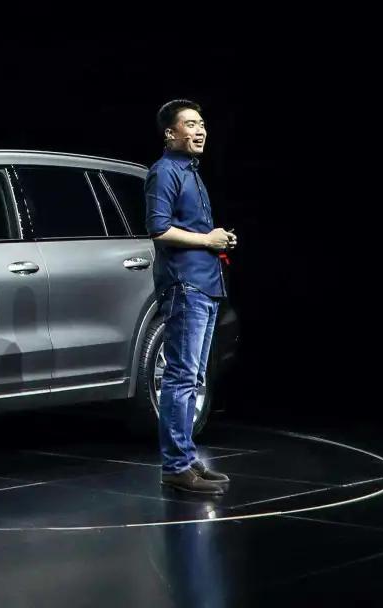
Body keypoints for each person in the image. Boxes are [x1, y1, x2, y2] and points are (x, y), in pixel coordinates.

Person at [145, 99, 236, 495]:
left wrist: (218, 240)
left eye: (202, 124)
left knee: (194, 377)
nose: (200, 131)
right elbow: (159, 230)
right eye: (190, 124)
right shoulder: (164, 172)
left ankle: (185, 455)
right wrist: (206, 240)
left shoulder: (191, 173)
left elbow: (193, 230)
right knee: (181, 377)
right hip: (185, 286)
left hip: (206, 283)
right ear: (170, 133)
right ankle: (176, 466)